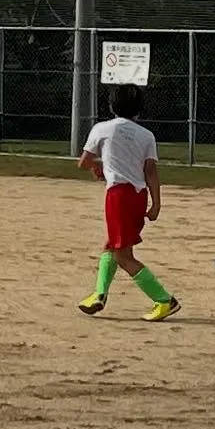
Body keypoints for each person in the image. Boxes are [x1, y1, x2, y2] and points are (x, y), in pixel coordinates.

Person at [75, 85, 180, 322]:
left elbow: (83, 162)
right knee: (112, 245)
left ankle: (164, 300)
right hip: (138, 196)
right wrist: (156, 204)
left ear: (112, 106)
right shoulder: (146, 135)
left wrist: (98, 166)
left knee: (123, 256)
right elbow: (151, 171)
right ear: (139, 110)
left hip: (118, 195)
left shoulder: (102, 128)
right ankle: (99, 294)